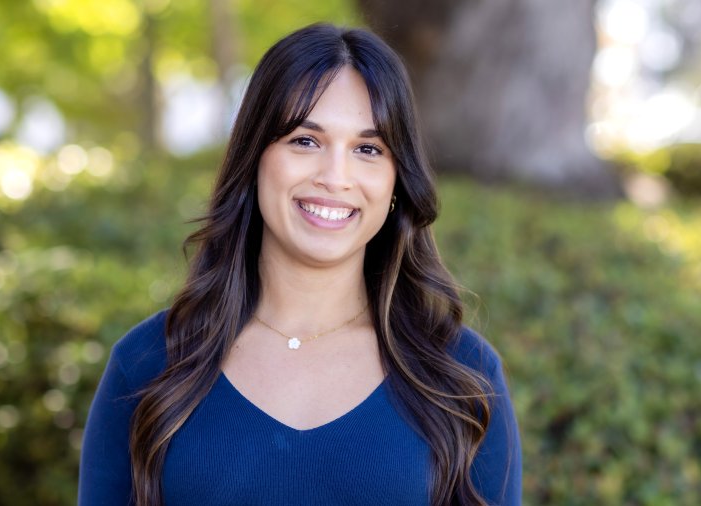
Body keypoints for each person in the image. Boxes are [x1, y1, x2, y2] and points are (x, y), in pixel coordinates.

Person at [78, 23, 521, 506]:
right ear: (254, 157)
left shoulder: (462, 376)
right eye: (305, 141)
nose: (335, 177)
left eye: (368, 149)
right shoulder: (147, 364)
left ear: (397, 180)